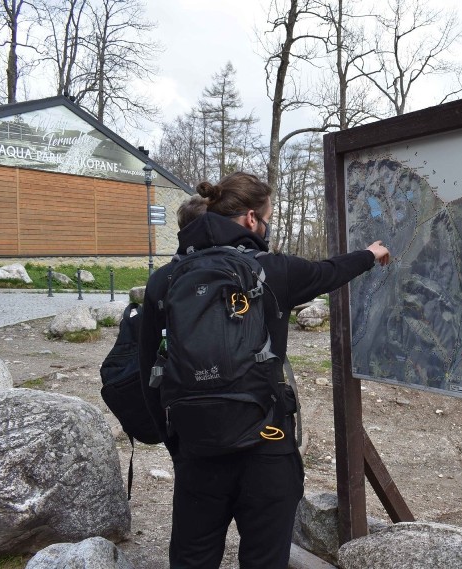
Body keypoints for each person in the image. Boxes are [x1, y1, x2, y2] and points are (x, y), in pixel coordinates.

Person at [139, 171, 390, 569]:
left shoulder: (165, 280)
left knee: (192, 559)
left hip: (198, 450)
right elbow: (330, 271)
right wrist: (370, 255)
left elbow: (148, 375)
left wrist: (179, 446)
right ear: (252, 220)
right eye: (269, 216)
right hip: (266, 444)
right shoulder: (274, 270)